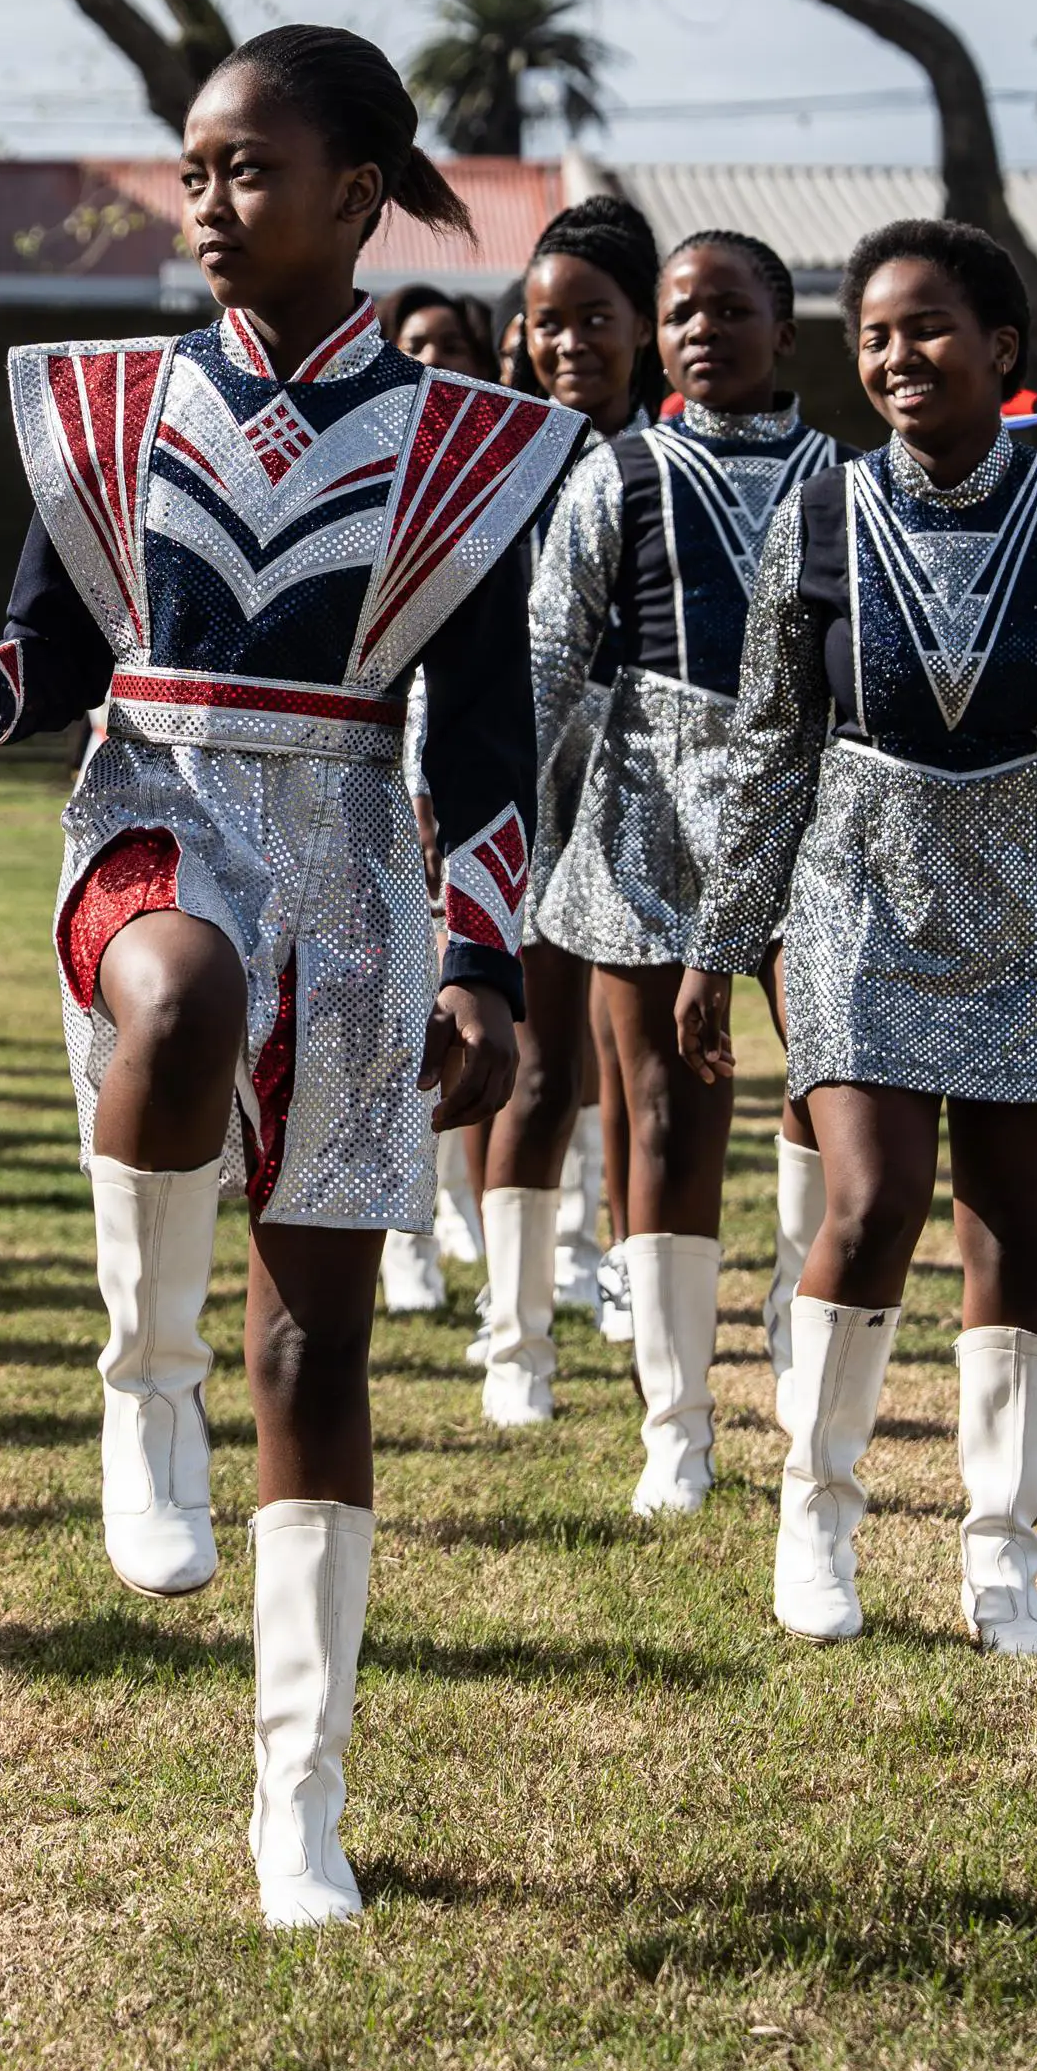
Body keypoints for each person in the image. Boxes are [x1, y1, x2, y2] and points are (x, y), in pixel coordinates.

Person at [0, 23, 577, 1930]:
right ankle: (138, 1380)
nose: (206, 199)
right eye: (190, 167)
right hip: (157, 812)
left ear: (359, 194)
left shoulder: (478, 441)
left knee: (322, 1350)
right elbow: (38, 645)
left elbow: (493, 729)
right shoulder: (104, 403)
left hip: (358, 854)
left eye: (248, 168)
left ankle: (302, 1798)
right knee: (177, 1002)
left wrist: (488, 964)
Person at [678, 218, 1037, 1651]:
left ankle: (1002, 1556)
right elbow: (766, 746)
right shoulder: (816, 509)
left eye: (926, 327)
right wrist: (713, 944)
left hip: (1033, 884)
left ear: (1003, 350)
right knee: (868, 1204)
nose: (895, 356)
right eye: (871, 334)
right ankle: (820, 1513)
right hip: (855, 881)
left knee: (1016, 1230)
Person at [528, 229, 840, 1515]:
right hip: (648, 814)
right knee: (658, 1109)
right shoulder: (622, 472)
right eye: (677, 312)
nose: (699, 330)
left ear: (783, 329)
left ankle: (792, 1319)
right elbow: (546, 653)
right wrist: (459, 797)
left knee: (835, 1087)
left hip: (817, 814)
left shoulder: (847, 479)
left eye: (728, 309)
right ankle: (676, 1427)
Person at [467, 196, 659, 1425]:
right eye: (547, 323)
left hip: (654, 803)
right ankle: (513, 1342)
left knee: (639, 1079)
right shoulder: (497, 465)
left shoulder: (677, 466)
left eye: (595, 318)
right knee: (535, 1074)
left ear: (643, 326)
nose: (569, 344)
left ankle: (648, 1309)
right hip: (525, 788)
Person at [364, 282, 503, 1314]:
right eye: (414, 347)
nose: (434, 362)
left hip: (477, 773)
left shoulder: (507, 467)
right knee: (388, 1023)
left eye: (452, 346)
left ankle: (462, 1208)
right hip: (373, 783)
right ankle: (401, 1237)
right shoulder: (378, 471)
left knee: (468, 1011)